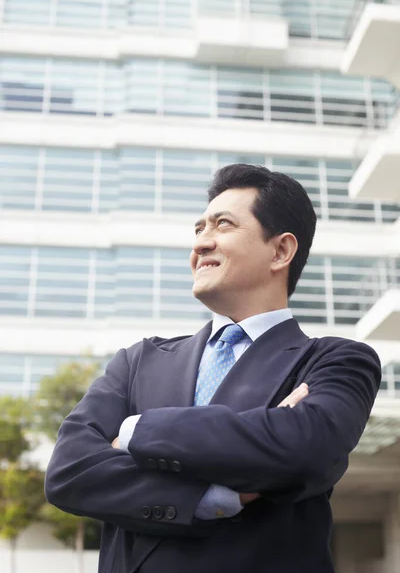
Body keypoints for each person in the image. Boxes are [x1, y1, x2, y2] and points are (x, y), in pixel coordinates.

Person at [45, 164, 381, 573]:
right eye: (199, 229)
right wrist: (212, 497)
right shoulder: (138, 361)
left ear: (280, 250)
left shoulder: (336, 360)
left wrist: (136, 431)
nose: (202, 243)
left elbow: (308, 450)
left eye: (222, 225)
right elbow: (69, 471)